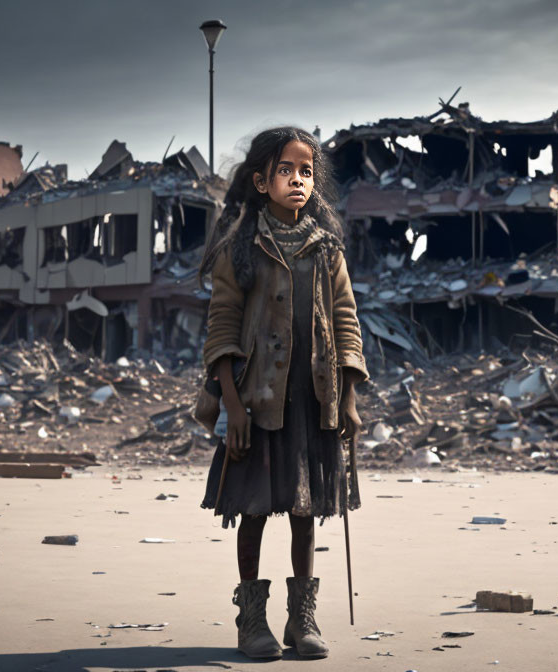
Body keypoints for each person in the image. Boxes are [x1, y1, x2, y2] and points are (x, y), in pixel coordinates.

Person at [197, 126, 369, 660]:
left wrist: (348, 398)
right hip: (256, 399)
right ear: (260, 180)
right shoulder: (241, 248)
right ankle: (252, 622)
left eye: (306, 171)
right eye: (285, 171)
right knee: (252, 508)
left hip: (313, 396)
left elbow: (345, 320)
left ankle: (302, 619)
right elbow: (222, 324)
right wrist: (231, 404)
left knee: (304, 509)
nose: (297, 180)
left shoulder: (327, 248)